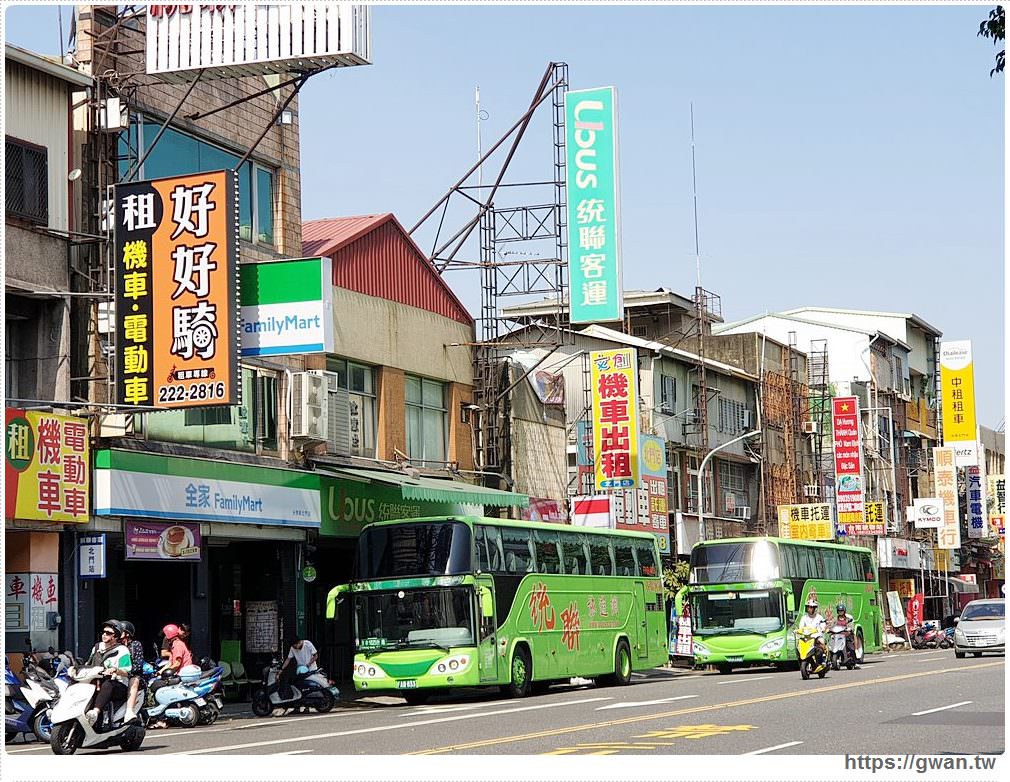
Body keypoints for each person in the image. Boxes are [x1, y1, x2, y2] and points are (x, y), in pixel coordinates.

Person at [84, 620, 132, 727]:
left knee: (108, 684)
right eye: (103, 632)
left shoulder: (122, 650)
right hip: (96, 681)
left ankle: (94, 713)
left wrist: (115, 670)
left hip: (116, 684)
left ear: (116, 636)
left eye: (109, 633)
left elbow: (127, 671)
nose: (104, 635)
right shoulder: (97, 648)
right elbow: (88, 664)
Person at [119, 621, 145, 723]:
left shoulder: (135, 645)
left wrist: (124, 671)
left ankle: (129, 712)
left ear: (127, 634)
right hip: (114, 676)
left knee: (134, 680)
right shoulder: (113, 646)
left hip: (130, 676)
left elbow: (138, 665)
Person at [834, 604, 859, 668]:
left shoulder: (848, 619)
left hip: (846, 636)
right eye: (839, 611)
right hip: (837, 636)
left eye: (842, 611)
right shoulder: (835, 619)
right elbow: (832, 625)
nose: (840, 612)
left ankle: (855, 662)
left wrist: (849, 629)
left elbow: (851, 626)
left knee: (851, 648)